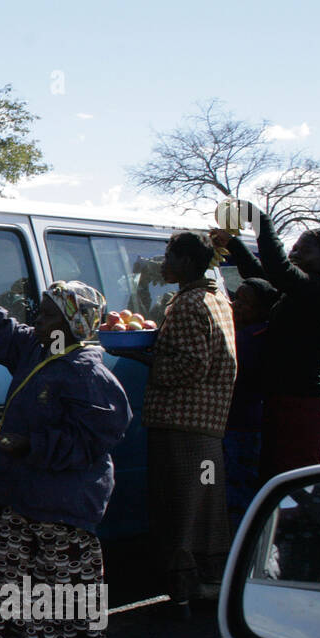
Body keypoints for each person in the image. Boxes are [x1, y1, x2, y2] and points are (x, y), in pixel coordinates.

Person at [0, 249, 132, 638]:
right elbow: (2, 331)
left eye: (46, 315)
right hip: (24, 492)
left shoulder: (87, 373)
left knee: (61, 573)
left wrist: (32, 445)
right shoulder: (38, 351)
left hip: (62, 499)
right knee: (13, 566)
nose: (37, 321)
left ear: (71, 324)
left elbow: (96, 439)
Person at [120, 231, 237, 617]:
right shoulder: (218, 298)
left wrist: (146, 358)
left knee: (179, 508)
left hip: (181, 423)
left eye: (169, 257)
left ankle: (186, 589)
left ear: (187, 262)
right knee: (205, 506)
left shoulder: (187, 304)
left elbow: (190, 364)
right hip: (207, 425)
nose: (162, 265)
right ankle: (209, 583)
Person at [211, 203, 320, 480]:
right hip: (283, 405)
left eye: (304, 249)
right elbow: (264, 277)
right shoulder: (298, 290)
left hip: (303, 408)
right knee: (276, 485)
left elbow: (278, 271)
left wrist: (260, 220)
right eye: (294, 247)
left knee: (297, 490)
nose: (294, 252)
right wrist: (232, 244)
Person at [225, 278, 278, 531]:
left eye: (244, 302)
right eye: (236, 299)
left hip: (241, 426)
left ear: (262, 310)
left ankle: (239, 543)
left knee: (234, 486)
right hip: (247, 423)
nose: (235, 305)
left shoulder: (249, 339)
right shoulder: (263, 335)